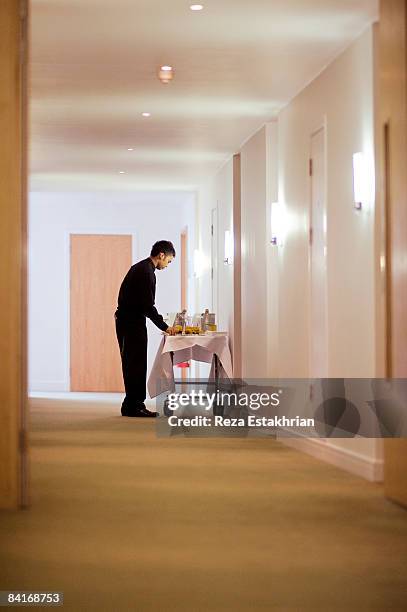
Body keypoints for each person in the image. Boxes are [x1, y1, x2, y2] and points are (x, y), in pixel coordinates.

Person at [115, 240, 177, 417]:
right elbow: (147, 306)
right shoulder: (146, 272)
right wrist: (165, 326)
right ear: (161, 255)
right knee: (136, 363)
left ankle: (130, 405)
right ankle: (135, 406)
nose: (167, 265)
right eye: (169, 261)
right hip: (131, 323)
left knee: (132, 362)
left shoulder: (142, 268)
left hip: (128, 321)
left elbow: (144, 305)